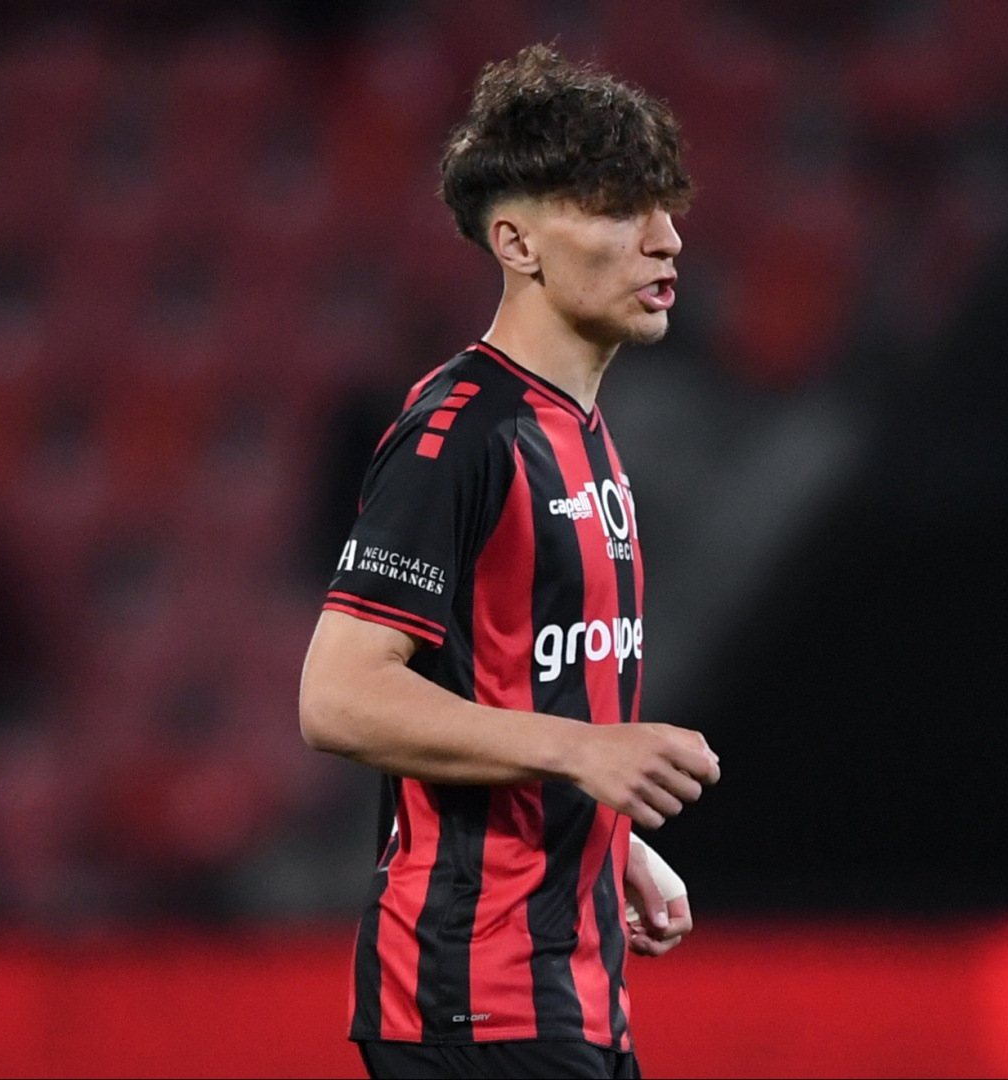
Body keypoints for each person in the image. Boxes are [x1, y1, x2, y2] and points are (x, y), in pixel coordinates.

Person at [298, 43, 720, 1080]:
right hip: (473, 1001)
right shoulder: (461, 433)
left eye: (665, 206)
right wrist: (585, 754)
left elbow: (505, 685)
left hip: (571, 992)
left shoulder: (582, 432)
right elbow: (339, 697)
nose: (666, 238)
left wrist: (610, 841)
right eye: (619, 210)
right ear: (518, 242)